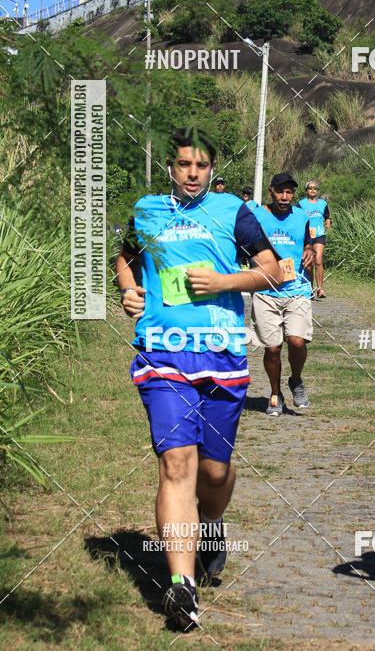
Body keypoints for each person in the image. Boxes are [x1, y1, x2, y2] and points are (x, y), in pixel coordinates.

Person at [116, 123, 281, 630]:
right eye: (184, 164)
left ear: (213, 169)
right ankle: (182, 588)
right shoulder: (146, 211)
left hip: (222, 356)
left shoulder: (234, 212)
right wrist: (129, 291)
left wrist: (224, 281)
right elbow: (125, 257)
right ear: (171, 166)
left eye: (202, 165)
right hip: (162, 355)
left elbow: (274, 270)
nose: (193, 173)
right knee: (176, 465)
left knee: (213, 473)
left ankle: (210, 524)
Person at [251, 173, 314, 415]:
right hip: (265, 290)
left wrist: (309, 251)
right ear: (271, 192)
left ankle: (296, 379)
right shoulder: (256, 216)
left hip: (296, 288)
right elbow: (243, 243)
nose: (285, 197)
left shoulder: (301, 216)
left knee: (297, 340)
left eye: (289, 192)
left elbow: (308, 241)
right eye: (280, 192)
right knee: (273, 348)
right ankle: (275, 394)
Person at [298, 181, 331, 299]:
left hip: (319, 235)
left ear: (317, 190)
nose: (313, 190)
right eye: (310, 188)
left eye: (315, 188)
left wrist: (328, 222)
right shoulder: (301, 204)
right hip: (306, 236)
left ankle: (320, 288)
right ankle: (310, 288)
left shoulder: (323, 203)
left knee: (318, 260)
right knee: (308, 264)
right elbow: (296, 218)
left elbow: (327, 216)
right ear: (306, 190)